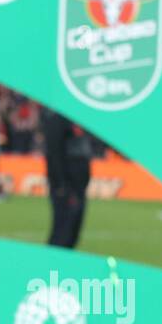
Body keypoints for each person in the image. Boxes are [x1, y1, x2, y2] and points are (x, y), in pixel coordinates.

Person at [41, 106, 93, 249]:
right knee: (62, 234)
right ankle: (51, 270)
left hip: (78, 185)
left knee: (72, 234)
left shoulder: (77, 115)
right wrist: (61, 185)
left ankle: (61, 269)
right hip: (67, 186)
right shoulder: (56, 116)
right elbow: (54, 152)